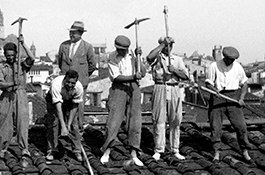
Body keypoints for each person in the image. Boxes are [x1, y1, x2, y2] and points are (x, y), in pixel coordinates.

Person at [100, 35, 146, 166]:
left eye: (123, 49)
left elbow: (142, 72)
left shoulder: (133, 55)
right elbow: (116, 77)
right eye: (118, 49)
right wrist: (133, 77)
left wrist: (139, 58)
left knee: (135, 121)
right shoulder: (112, 57)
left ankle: (134, 153)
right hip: (119, 88)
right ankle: (107, 151)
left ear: (127, 48)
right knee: (113, 121)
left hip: (134, 89)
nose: (120, 51)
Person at [0, 36, 35, 167]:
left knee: (22, 123)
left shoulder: (21, 65)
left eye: (12, 55)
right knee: (4, 123)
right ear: (4, 55)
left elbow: (32, 58)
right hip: (6, 96)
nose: (10, 57)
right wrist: (10, 83)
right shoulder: (1, 67)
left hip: (20, 95)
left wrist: (23, 44)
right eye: (8, 55)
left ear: (16, 54)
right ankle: (0, 151)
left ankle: (24, 153)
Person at [146, 36, 190, 161]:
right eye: (166, 45)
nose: (169, 47)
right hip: (160, 87)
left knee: (175, 119)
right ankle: (159, 149)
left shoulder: (177, 59)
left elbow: (185, 76)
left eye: (171, 45)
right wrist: (161, 46)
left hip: (174, 87)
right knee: (159, 119)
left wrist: (175, 70)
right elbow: (149, 58)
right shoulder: (157, 57)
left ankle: (174, 149)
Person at [204, 46, 251, 161]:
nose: (231, 62)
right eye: (229, 59)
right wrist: (214, 90)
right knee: (215, 126)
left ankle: (245, 151)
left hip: (233, 96)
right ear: (224, 57)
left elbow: (244, 84)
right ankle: (216, 152)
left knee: (241, 126)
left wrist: (242, 98)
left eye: (233, 60)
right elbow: (208, 83)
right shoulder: (214, 66)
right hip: (218, 97)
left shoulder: (238, 67)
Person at [56, 21, 97, 130]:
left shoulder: (87, 47)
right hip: (65, 83)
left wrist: (83, 76)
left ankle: (78, 130)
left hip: (80, 83)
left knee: (78, 108)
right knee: (64, 106)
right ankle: (64, 130)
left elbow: (92, 65)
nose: (71, 35)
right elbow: (60, 62)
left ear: (80, 34)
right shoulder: (63, 46)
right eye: (70, 32)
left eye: (74, 33)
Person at [45, 69, 84, 162]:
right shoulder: (56, 85)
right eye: (68, 82)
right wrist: (63, 126)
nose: (70, 85)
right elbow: (58, 107)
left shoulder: (79, 88)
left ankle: (77, 150)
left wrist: (68, 124)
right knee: (53, 122)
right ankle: (52, 149)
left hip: (69, 101)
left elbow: (75, 106)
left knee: (74, 124)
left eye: (72, 83)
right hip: (54, 101)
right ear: (64, 79)